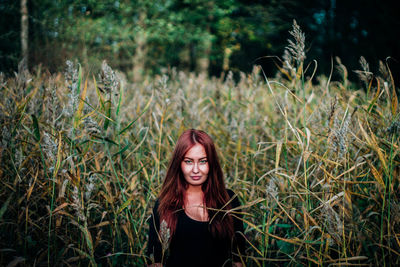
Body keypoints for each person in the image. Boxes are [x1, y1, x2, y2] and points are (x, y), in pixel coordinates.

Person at [146, 129, 246, 267]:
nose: (195, 169)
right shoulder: (165, 204)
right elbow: (154, 261)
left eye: (203, 161)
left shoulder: (228, 200)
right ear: (179, 164)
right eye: (188, 161)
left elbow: (239, 258)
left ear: (211, 163)